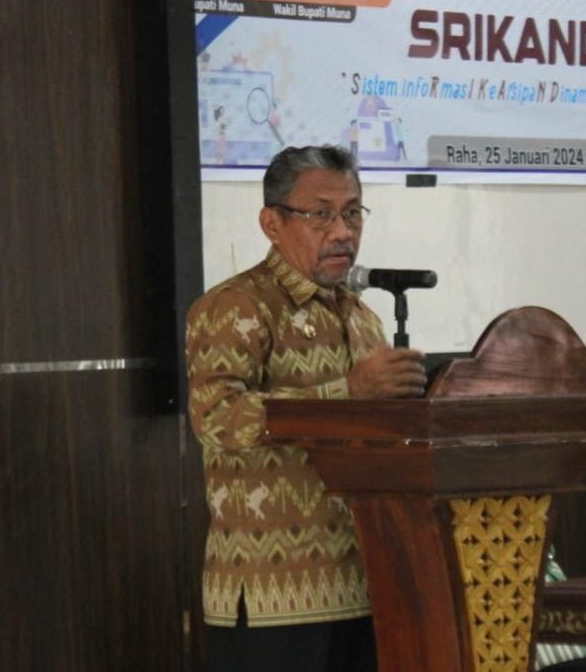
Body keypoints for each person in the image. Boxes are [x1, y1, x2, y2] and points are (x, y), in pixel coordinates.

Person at [185, 145, 427, 672]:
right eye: (320, 214)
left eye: (353, 212)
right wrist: (346, 392)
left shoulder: (361, 317)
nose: (342, 232)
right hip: (275, 594)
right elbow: (217, 418)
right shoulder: (236, 307)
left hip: (367, 583)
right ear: (272, 223)